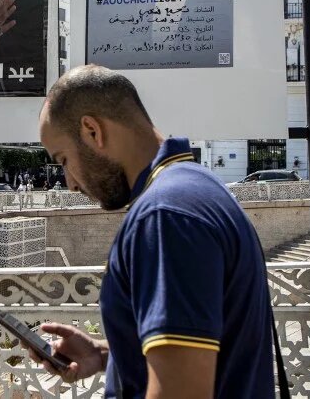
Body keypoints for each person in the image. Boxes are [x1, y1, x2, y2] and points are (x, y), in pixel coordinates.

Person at [31, 65, 274, 398]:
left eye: (62, 160)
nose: (70, 183)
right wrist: (104, 355)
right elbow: (206, 351)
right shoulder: (196, 187)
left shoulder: (165, 216)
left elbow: (181, 391)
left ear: (91, 131)